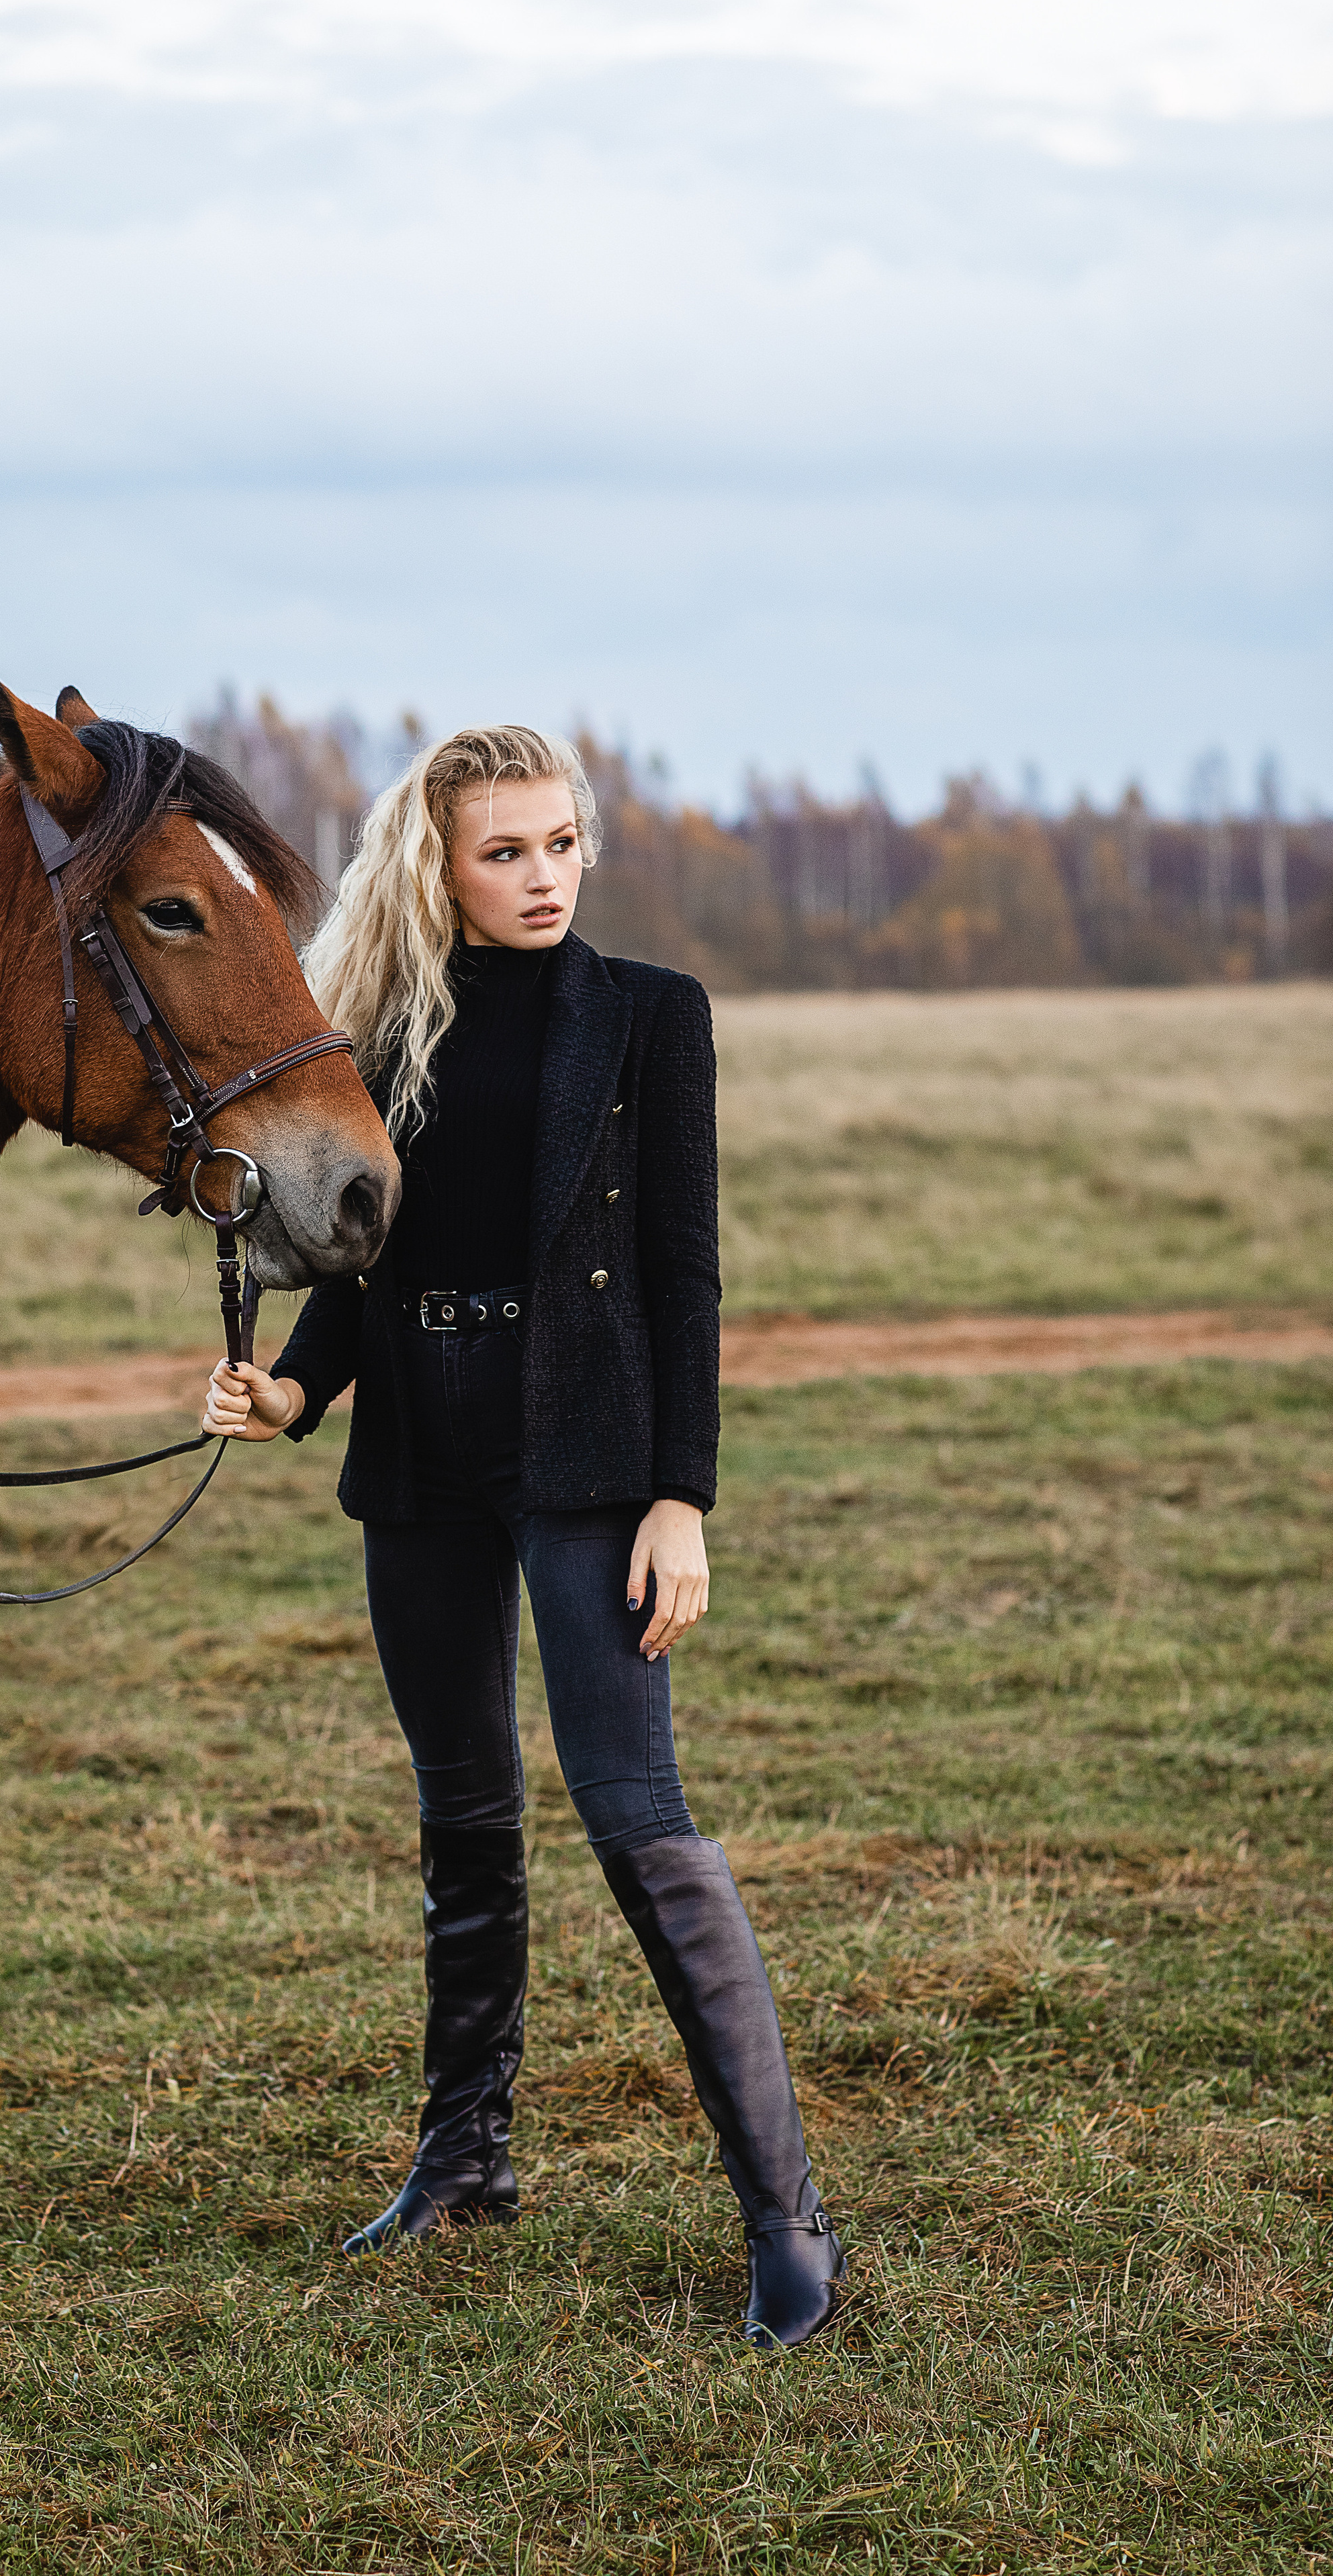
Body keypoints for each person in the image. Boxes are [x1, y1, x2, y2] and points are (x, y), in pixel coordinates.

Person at [202, 726, 843, 2349]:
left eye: (561, 844)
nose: (544, 876)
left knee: (636, 1815)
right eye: (506, 851)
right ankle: (463, 2166)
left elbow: (685, 1277)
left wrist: (679, 1500)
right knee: (463, 1815)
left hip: (587, 1455)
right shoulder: (379, 1033)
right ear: (437, 864)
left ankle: (783, 2216)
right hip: (421, 1438)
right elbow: (363, 1256)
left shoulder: (648, 1019)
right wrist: (290, 1394)